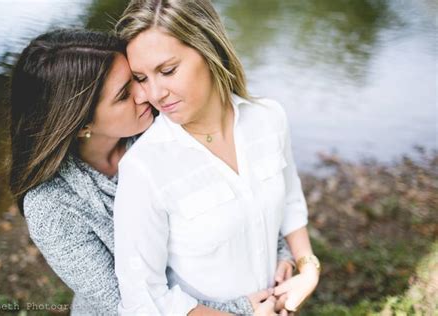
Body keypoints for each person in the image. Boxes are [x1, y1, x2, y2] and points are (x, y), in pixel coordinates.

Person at [8, 29, 294, 315]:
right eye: (124, 95)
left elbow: (242, 193)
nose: (148, 94)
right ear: (81, 124)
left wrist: (282, 251)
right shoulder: (51, 206)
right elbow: (125, 303)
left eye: (136, 78)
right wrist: (240, 309)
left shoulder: (164, 127)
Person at [113, 0, 321, 315]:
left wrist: (307, 267)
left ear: (209, 49)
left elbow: (290, 200)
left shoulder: (269, 117)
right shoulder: (144, 167)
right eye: (141, 78)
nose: (155, 93)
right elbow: (143, 297)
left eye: (167, 71)